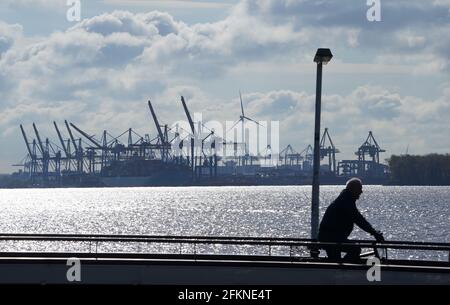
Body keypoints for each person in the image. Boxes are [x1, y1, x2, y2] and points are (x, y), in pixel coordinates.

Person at [318, 177, 384, 261]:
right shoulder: (346, 201)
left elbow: (358, 219)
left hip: (331, 236)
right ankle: (342, 270)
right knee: (355, 249)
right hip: (331, 237)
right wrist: (374, 233)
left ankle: (340, 268)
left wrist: (374, 232)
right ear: (353, 189)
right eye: (359, 189)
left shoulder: (345, 198)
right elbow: (359, 219)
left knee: (336, 259)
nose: (361, 191)